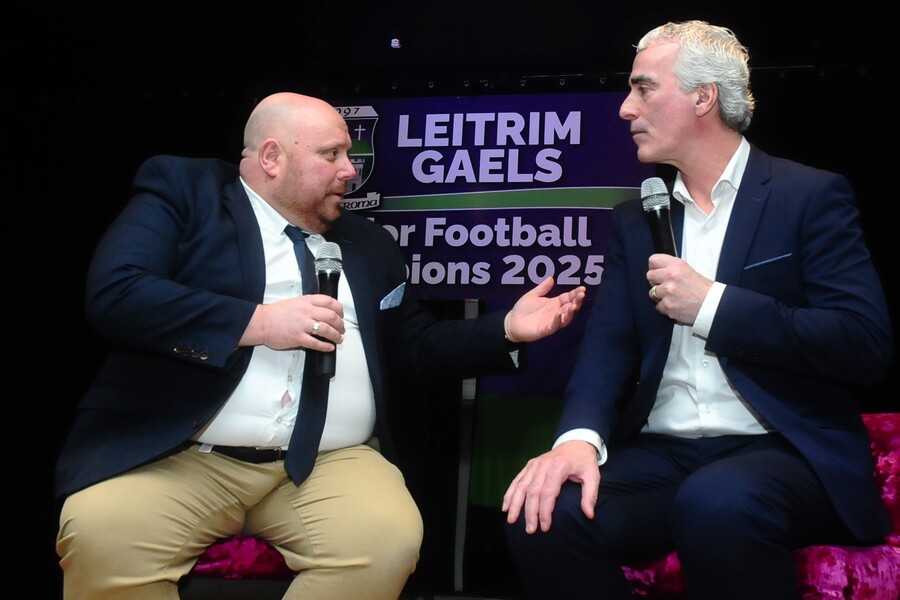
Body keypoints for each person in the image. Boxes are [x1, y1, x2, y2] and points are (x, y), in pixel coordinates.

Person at [54, 91, 586, 600]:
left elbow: (415, 344)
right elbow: (118, 292)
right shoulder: (188, 195)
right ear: (271, 157)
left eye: (348, 155)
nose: (350, 170)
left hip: (331, 460)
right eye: (331, 155)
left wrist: (506, 329)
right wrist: (259, 322)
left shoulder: (369, 243)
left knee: (385, 540)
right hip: (184, 454)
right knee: (104, 535)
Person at [502, 20, 893, 600]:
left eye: (643, 88)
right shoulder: (636, 220)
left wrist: (712, 305)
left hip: (782, 449)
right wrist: (578, 440)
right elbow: (608, 348)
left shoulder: (808, 197)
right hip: (664, 455)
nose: (625, 108)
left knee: (717, 502)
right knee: (541, 514)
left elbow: (863, 343)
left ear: (703, 97)